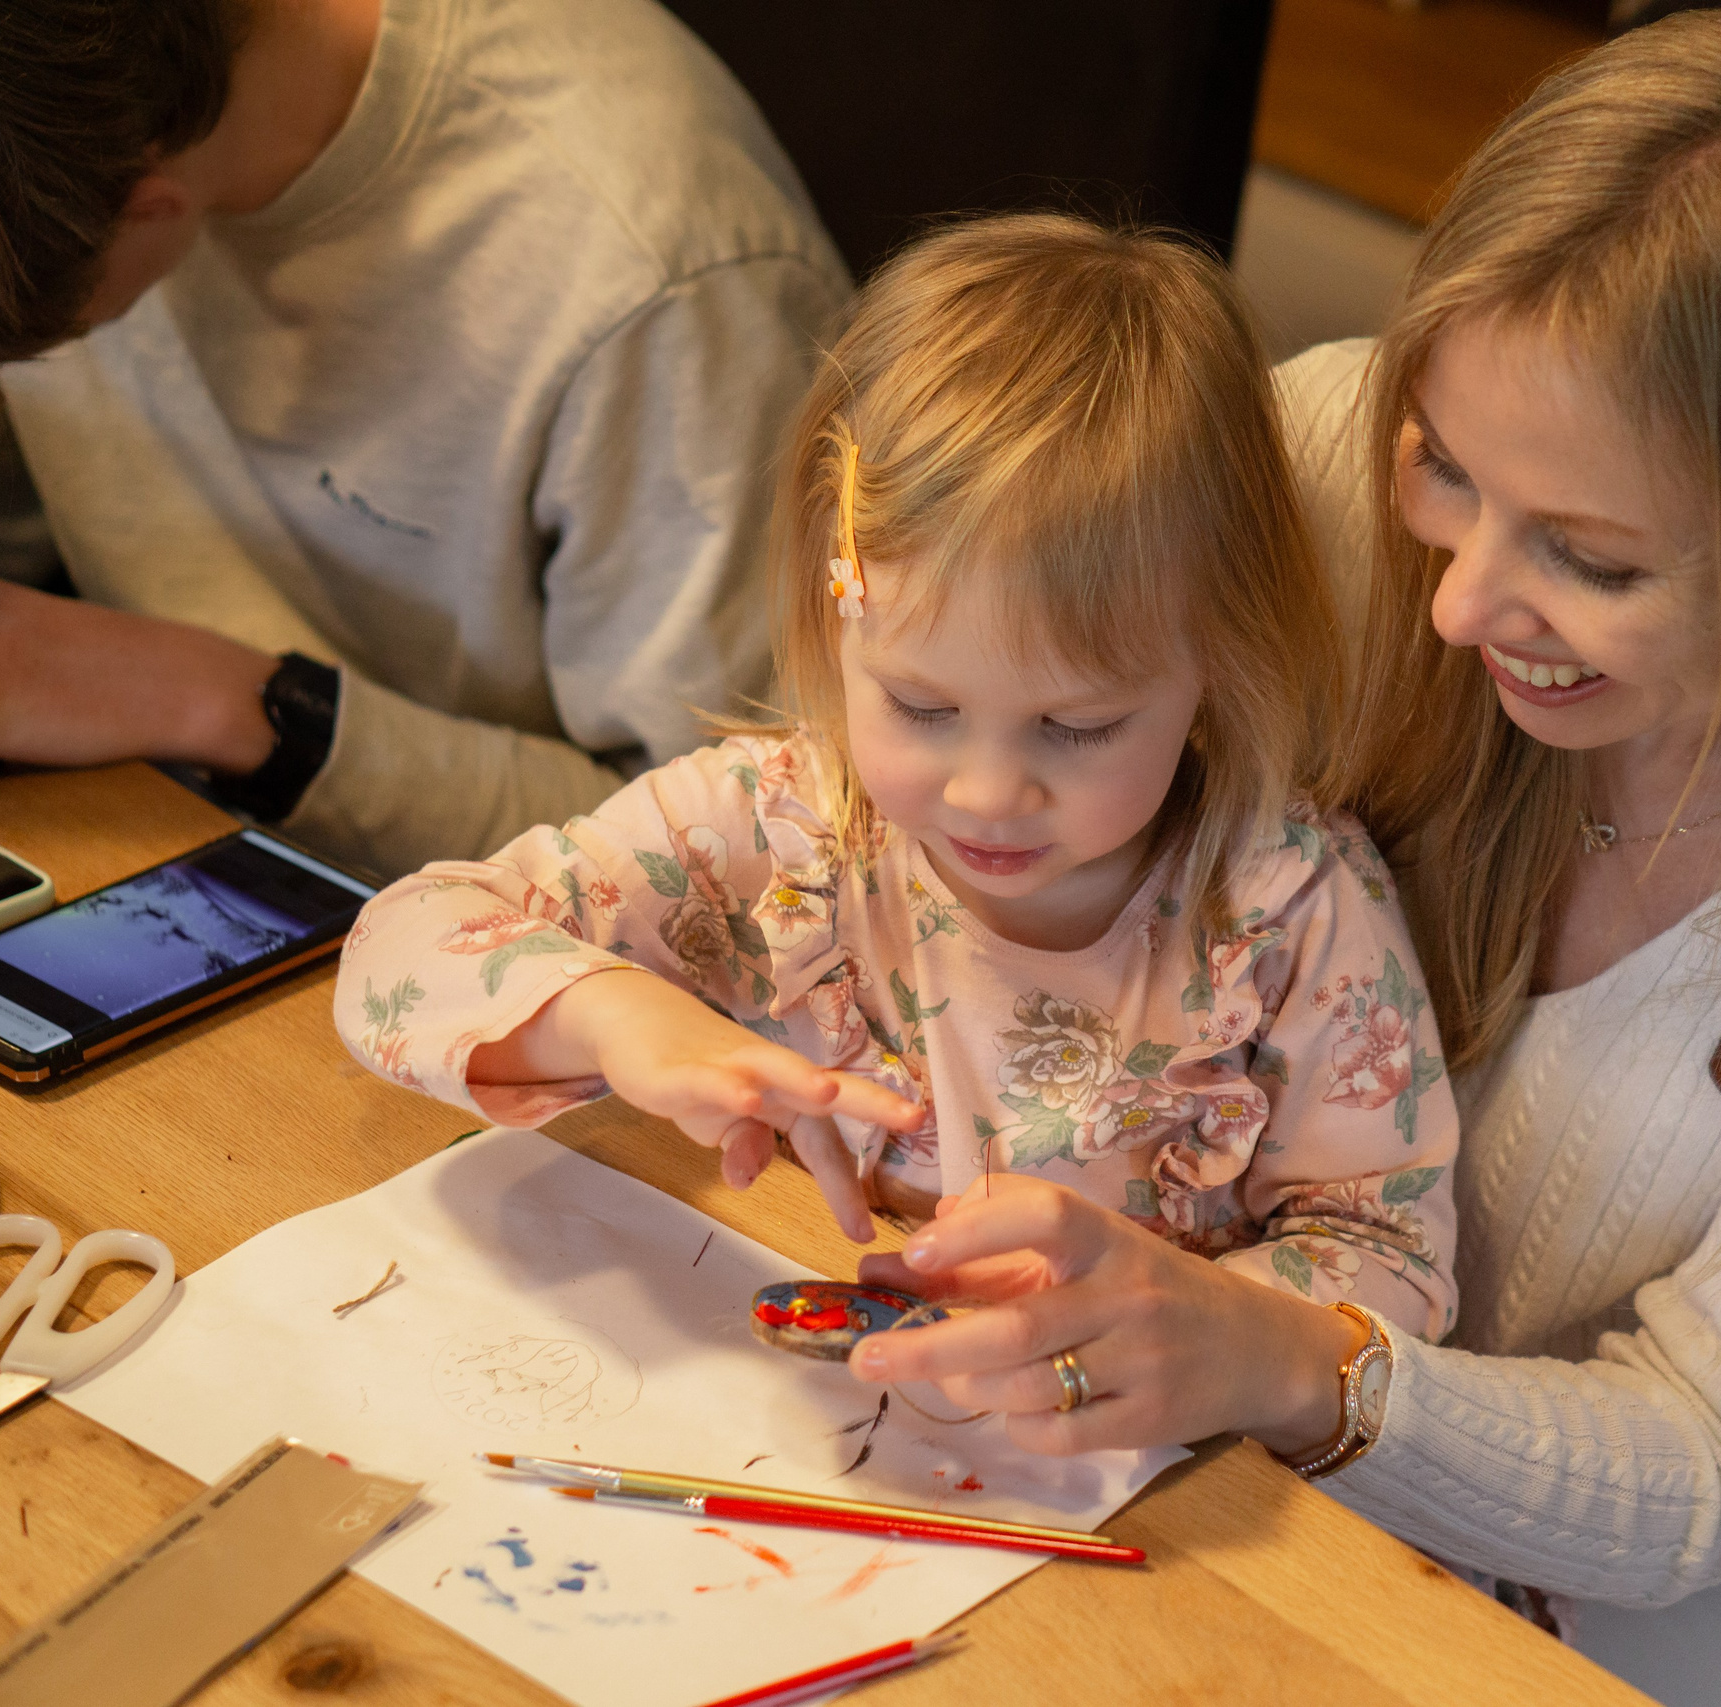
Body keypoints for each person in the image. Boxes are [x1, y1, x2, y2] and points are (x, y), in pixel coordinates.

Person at [839, 12, 1721, 1704]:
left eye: (1593, 558)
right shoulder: (1324, 450)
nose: (1453, 604)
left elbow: (1711, 1461)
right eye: (1450, 470)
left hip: (1631, 1562)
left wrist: (1294, 1369)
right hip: (1178, 1371)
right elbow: (927, 762)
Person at [330, 214, 1462, 1360]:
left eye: (1078, 727)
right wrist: (618, 1017)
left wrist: (1156, 1318)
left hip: (1105, 1470)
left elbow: (1391, 1264)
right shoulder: (782, 831)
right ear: (840, 618)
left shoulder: (1284, 912)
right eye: (922, 708)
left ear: (1216, 659)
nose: (985, 793)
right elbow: (400, 945)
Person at [0, 0, 847, 875]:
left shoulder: (651, 278)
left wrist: (232, 707)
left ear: (145, 210)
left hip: (531, 946)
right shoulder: (56, 147)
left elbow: (746, 855)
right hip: (145, 830)